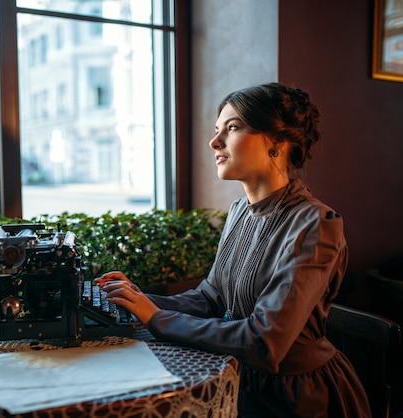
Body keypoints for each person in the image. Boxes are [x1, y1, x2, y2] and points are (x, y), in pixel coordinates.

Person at [95, 82, 371, 417]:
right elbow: (211, 298)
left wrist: (156, 318)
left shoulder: (315, 223)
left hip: (295, 397)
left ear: (278, 142)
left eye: (233, 127)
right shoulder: (240, 210)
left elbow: (264, 341)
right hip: (240, 378)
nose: (215, 142)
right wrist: (138, 300)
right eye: (217, 130)